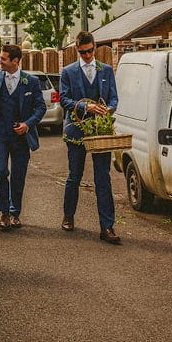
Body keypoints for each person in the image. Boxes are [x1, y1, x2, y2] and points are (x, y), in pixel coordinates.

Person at [59, 31, 122, 244]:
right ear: (77, 50)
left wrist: (107, 109)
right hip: (76, 131)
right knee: (74, 176)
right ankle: (68, 215)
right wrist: (87, 106)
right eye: (82, 52)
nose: (86, 55)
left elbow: (114, 98)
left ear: (94, 48)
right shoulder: (68, 72)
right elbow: (64, 100)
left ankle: (107, 227)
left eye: (90, 51)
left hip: (100, 132)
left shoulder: (105, 70)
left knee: (103, 179)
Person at [0, 45, 46, 231]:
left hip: (21, 137)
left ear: (15, 61)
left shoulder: (30, 81)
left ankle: (15, 212)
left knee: (18, 175)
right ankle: (4, 213)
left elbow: (40, 108)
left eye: (3, 59)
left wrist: (27, 124)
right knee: (0, 170)